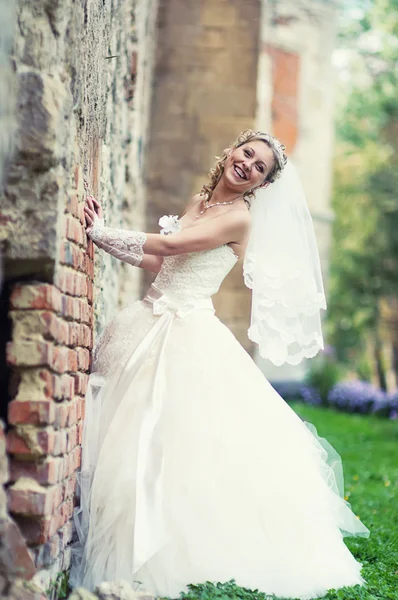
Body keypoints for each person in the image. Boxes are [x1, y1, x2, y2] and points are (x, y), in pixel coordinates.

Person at [69, 130, 369, 600]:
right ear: (233, 150)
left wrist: (100, 231)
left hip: (187, 335)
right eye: (247, 153)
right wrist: (102, 235)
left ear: (261, 185)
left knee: (172, 443)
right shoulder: (199, 201)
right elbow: (161, 263)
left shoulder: (240, 220)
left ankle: (163, 545)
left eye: (260, 168)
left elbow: (169, 247)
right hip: (145, 321)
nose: (248, 165)